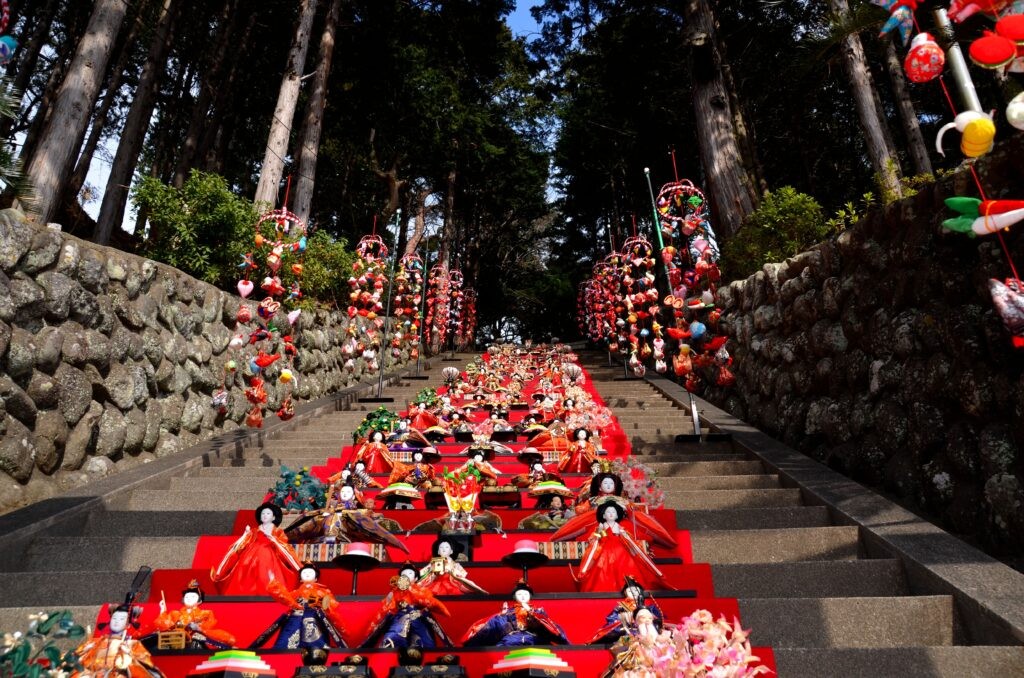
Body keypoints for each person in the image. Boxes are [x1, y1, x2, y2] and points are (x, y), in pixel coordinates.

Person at [573, 500, 671, 592]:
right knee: (601, 569)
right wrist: (602, 532)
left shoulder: (620, 527)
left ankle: (628, 587)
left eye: (613, 512)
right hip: (604, 549)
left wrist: (623, 534)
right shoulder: (601, 527)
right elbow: (595, 540)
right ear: (603, 515)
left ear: (617, 515)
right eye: (608, 512)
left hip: (621, 549)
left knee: (627, 565)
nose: (611, 514)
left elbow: (629, 540)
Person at [211, 502, 301, 596]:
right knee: (245, 571)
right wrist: (245, 535)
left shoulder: (278, 532)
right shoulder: (253, 531)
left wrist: (273, 540)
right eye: (263, 513)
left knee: (266, 560)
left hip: (270, 557)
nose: (265, 515)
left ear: (274, 517)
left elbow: (284, 547)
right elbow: (241, 545)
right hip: (250, 557)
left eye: (268, 513)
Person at [251, 564, 347, 650]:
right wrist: (275, 585)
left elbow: (330, 604)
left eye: (310, 572)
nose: (307, 574)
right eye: (304, 572)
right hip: (295, 617)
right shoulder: (296, 593)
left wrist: (313, 600)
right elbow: (284, 598)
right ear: (300, 579)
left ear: (316, 578)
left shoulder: (323, 591)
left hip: (314, 617)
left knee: (316, 641)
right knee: (286, 642)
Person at [361, 569, 454, 649]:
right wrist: (392, 596)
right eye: (403, 574)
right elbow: (386, 608)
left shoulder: (421, 590)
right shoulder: (394, 592)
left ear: (416, 578)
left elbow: (428, 601)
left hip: (418, 617)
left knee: (425, 642)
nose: (406, 575)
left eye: (409, 573)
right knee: (391, 639)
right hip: (400, 618)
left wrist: (409, 589)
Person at [461, 581, 569, 647]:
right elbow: (495, 626)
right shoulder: (508, 611)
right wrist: (504, 619)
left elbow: (549, 626)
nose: (522, 596)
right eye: (519, 593)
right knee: (502, 646)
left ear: (530, 596)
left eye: (525, 593)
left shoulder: (538, 611)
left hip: (533, 637)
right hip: (512, 637)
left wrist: (535, 619)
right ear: (514, 597)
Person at [73, 604, 165, 678]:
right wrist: (84, 653)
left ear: (128, 624)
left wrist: (130, 654)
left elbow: (144, 665)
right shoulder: (97, 642)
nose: (116, 621)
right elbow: (81, 661)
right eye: (114, 618)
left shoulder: (132, 644)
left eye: (121, 619)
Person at [149, 580, 236, 650]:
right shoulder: (175, 613)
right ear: (183, 600)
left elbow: (209, 626)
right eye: (187, 597)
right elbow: (162, 624)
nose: (189, 599)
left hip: (196, 636)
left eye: (193, 597)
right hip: (176, 638)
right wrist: (162, 610)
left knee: (228, 638)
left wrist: (199, 628)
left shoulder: (206, 613)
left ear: (199, 601)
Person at [588, 576, 664, 644]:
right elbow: (612, 622)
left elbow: (662, 621)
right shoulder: (621, 608)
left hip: (649, 632)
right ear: (625, 593)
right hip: (630, 633)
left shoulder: (650, 608)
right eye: (630, 591)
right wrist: (623, 622)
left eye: (636, 591)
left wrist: (652, 620)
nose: (633, 593)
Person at [417, 537, 487, 595]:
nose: (444, 549)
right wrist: (433, 572)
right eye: (441, 547)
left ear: (451, 551)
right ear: (438, 551)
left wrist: (451, 571)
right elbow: (422, 574)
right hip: (436, 585)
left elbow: (462, 575)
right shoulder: (433, 563)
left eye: (447, 547)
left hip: (451, 585)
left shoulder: (455, 564)